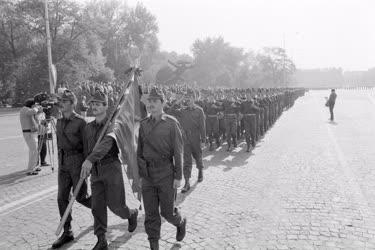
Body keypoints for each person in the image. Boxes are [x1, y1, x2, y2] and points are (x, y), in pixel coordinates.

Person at [80, 89, 138, 250]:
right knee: (97, 207)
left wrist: (90, 159)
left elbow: (106, 144)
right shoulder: (88, 127)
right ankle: (101, 240)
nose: (94, 107)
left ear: (106, 106)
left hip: (111, 168)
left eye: (98, 104)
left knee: (116, 206)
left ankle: (130, 214)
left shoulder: (113, 125)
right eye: (92, 104)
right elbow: (86, 149)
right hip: (95, 172)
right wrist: (87, 166)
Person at [137, 87, 187, 250]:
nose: (150, 104)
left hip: (166, 172)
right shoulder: (143, 124)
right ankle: (154, 245)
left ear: (163, 103)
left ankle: (179, 222)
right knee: (150, 214)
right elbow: (140, 151)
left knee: (167, 212)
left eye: (154, 101)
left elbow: (178, 151)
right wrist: (139, 174)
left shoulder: (172, 123)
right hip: (148, 175)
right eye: (149, 101)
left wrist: (178, 176)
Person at [52, 90, 92, 249]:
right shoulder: (59, 121)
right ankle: (67, 231)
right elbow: (58, 143)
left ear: (72, 103)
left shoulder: (81, 122)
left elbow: (88, 146)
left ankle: (100, 210)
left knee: (81, 196)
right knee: (61, 197)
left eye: (64, 101)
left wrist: (87, 165)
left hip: (77, 161)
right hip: (63, 163)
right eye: (60, 101)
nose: (60, 104)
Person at [19, 98, 43, 175]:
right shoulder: (25, 109)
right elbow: (32, 112)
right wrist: (37, 108)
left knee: (33, 151)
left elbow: (36, 118)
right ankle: (30, 170)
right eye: (35, 105)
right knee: (33, 151)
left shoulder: (30, 110)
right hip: (28, 133)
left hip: (32, 133)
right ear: (31, 105)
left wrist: (39, 110)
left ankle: (34, 167)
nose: (36, 106)